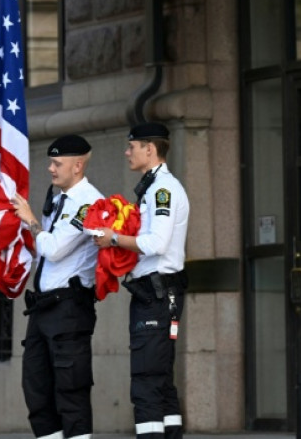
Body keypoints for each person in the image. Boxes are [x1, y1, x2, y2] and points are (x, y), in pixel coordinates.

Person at [92, 122, 189, 439]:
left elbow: (155, 244)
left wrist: (114, 239)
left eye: (131, 146)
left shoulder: (162, 190)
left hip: (156, 294)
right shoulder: (157, 188)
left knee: (147, 379)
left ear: (150, 149)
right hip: (164, 294)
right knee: (161, 378)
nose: (127, 151)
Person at [12, 134, 104, 439]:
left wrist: (31, 222)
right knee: (36, 389)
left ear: (77, 165)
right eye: (51, 162)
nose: (50, 169)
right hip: (43, 307)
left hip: (68, 309)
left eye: (57, 163)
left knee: (70, 392)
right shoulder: (58, 198)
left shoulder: (88, 201)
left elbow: (53, 249)